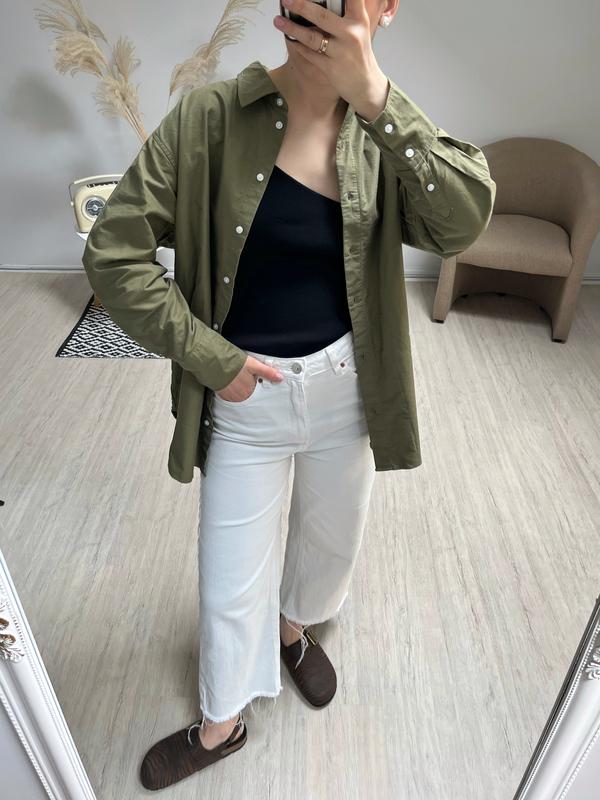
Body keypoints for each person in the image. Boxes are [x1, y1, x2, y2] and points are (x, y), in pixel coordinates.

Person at [83, 0, 496, 791]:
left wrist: (376, 97)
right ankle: (221, 723)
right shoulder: (209, 118)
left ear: (384, 8)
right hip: (244, 398)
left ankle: (292, 628)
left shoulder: (385, 132)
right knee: (228, 574)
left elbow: (462, 223)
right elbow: (114, 253)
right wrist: (210, 358)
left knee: (331, 541)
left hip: (350, 388)